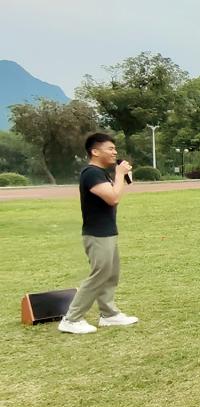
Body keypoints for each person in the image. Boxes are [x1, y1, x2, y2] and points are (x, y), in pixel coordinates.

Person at [58, 133, 138, 334]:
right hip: (97, 234)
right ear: (95, 151)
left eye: (115, 149)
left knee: (111, 274)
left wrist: (122, 177)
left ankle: (109, 314)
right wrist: (119, 174)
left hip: (108, 231)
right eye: (110, 149)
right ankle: (71, 318)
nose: (115, 152)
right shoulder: (91, 173)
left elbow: (115, 194)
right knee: (99, 274)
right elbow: (112, 198)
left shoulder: (101, 173)